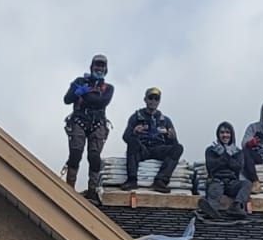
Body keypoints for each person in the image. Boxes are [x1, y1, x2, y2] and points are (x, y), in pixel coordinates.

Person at [62, 54, 114, 202]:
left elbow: (101, 102)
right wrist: (76, 92)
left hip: (98, 124)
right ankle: (69, 188)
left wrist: (84, 94)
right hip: (79, 121)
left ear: (106, 70)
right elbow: (66, 99)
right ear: (91, 67)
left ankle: (92, 191)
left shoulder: (108, 88)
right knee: (75, 153)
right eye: (97, 65)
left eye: (102, 66)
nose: (99, 68)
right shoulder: (79, 81)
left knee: (94, 156)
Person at [121, 87, 183, 192]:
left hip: (159, 149)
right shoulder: (136, 117)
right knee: (132, 142)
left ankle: (160, 181)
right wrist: (134, 133)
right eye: (151, 98)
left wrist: (173, 138)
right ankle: (132, 180)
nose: (153, 101)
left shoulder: (165, 120)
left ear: (159, 101)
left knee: (178, 148)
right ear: (145, 99)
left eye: (156, 99)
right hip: (142, 149)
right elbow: (125, 137)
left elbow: (174, 144)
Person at [201, 122, 250, 219]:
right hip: (216, 180)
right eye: (222, 132)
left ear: (231, 135)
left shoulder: (238, 152)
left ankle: (236, 206)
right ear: (218, 134)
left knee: (247, 184)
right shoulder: (211, 150)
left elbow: (238, 167)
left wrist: (224, 155)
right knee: (214, 191)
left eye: (227, 132)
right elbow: (212, 166)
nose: (225, 135)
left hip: (231, 182)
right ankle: (212, 209)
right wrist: (227, 159)